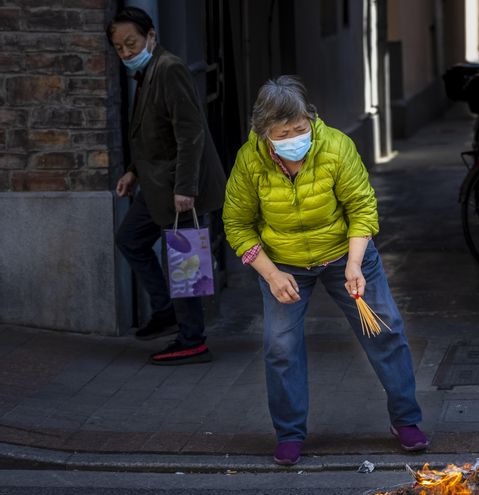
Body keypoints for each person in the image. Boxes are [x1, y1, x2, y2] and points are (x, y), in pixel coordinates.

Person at [223, 76, 428, 465]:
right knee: (280, 347)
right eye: (283, 133)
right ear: (264, 133)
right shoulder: (249, 161)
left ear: (310, 118)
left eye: (300, 128)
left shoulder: (336, 146)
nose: (294, 138)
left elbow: (362, 207)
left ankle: (406, 419)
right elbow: (237, 225)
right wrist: (271, 274)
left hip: (344, 253)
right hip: (283, 264)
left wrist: (354, 264)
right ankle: (289, 433)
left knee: (385, 330)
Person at [107, 7, 226, 364]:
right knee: (130, 239)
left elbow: (189, 133)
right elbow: (153, 133)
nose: (125, 52)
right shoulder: (148, 72)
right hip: (156, 183)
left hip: (179, 186)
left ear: (151, 36)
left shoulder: (169, 68)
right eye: (119, 47)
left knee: (183, 258)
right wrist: (133, 172)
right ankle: (165, 312)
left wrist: (185, 188)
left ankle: (193, 340)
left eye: (131, 43)